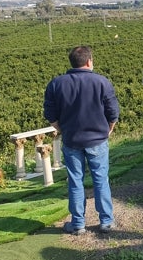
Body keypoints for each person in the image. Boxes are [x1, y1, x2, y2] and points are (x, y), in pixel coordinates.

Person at [43, 46, 120, 235]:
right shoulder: (102, 81)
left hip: (71, 140)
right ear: (89, 61)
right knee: (101, 179)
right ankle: (106, 221)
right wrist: (108, 130)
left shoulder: (56, 84)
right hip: (97, 140)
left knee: (75, 181)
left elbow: (50, 114)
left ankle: (78, 224)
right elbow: (113, 112)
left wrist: (62, 130)